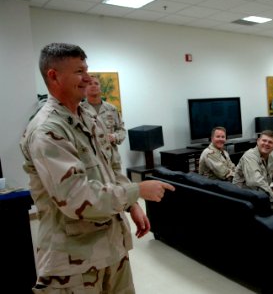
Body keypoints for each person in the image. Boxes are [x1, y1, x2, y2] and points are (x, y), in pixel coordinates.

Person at [20, 43, 175, 292]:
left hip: (112, 248)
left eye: (87, 70)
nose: (88, 78)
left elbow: (111, 167)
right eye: (80, 71)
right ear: (54, 76)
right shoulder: (47, 130)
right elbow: (76, 197)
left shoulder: (89, 117)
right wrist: (137, 191)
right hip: (73, 263)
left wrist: (131, 205)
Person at [232, 130, 273, 211]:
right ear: (258, 141)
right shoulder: (249, 156)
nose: (266, 144)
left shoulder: (271, 159)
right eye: (264, 140)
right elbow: (255, 182)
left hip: (260, 193)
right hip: (245, 197)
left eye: (270, 142)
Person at [81, 75, 126, 148]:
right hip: (91, 154)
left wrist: (114, 137)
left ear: (100, 88)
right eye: (90, 84)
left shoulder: (111, 109)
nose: (93, 86)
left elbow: (121, 130)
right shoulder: (79, 109)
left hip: (111, 155)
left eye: (96, 83)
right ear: (84, 89)